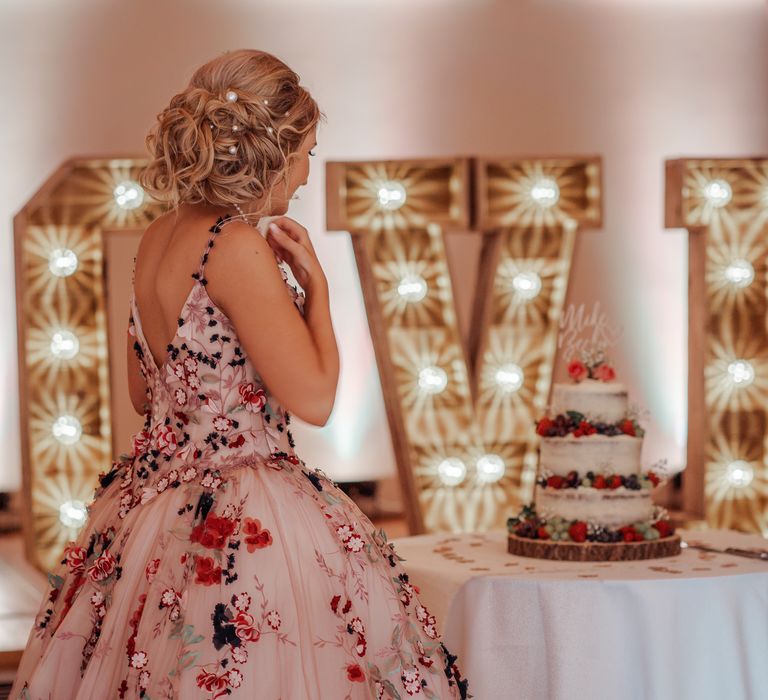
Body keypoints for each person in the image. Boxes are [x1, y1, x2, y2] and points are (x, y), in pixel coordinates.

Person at [11, 49, 469, 699]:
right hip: (242, 514)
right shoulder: (236, 245)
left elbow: (146, 395)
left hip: (150, 511)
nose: (308, 172)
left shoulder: (156, 238)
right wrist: (319, 293)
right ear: (273, 153)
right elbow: (314, 398)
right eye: (307, 151)